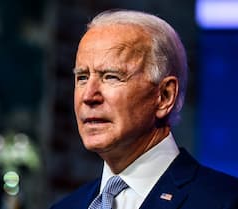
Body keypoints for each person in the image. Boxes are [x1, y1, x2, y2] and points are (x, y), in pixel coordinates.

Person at [50, 9, 238, 209]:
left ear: (164, 96)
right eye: (82, 78)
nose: (88, 96)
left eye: (111, 77)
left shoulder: (225, 202)